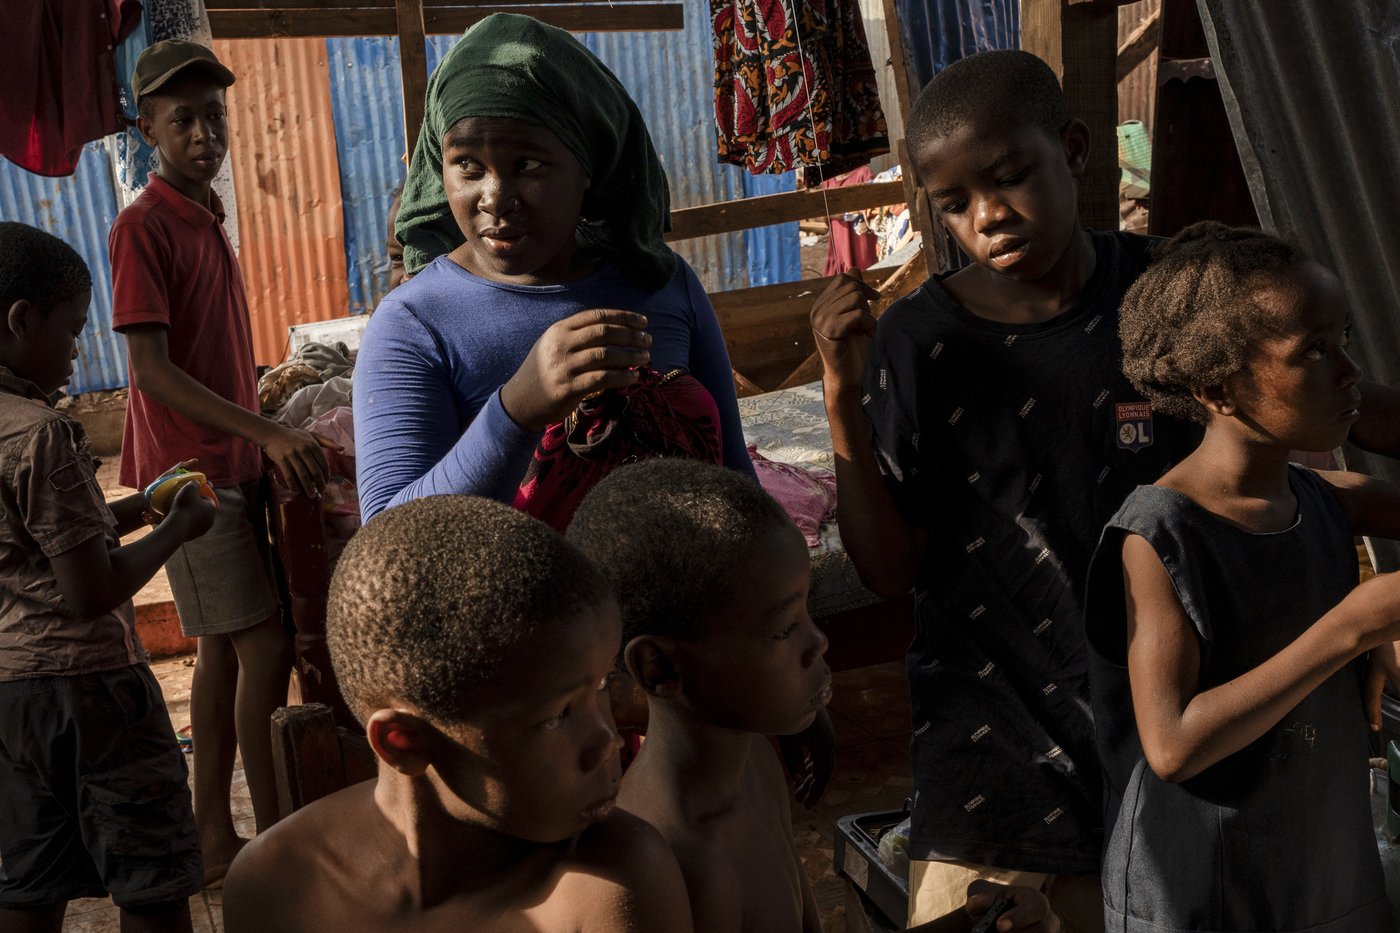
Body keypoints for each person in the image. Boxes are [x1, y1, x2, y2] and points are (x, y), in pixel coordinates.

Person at [807, 50, 1211, 930]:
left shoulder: (1162, 296)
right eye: (952, 203)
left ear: (1073, 148)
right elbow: (886, 570)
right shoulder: (923, 341)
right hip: (991, 762)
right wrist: (841, 396)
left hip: (1169, 735)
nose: (985, 217)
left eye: (1008, 178)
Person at [569, 458, 1061, 933]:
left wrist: (968, 925)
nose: (818, 641)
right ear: (660, 667)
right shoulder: (671, 870)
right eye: (784, 629)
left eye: (807, 611)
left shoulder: (754, 765)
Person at [1084, 223, 1400, 931]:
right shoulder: (1160, 533)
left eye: (1343, 337)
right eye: (1314, 351)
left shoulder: (1318, 497)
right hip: (1205, 897)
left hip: (1319, 876)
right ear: (1217, 387)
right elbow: (1171, 744)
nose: (1351, 371)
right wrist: (1355, 628)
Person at [222, 495, 695, 933]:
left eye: (600, 689)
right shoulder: (280, 886)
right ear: (403, 742)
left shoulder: (609, 884)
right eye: (558, 716)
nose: (608, 742)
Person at [354, 13, 755, 525]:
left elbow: (735, 478)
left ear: (589, 164)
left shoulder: (660, 283)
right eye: (468, 165)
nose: (495, 198)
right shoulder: (414, 324)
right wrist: (516, 410)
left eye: (528, 165)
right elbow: (388, 537)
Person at [110, 39, 337, 883]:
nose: (205, 133)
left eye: (214, 116)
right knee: (264, 644)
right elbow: (152, 371)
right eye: (184, 120)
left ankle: (216, 835)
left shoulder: (206, 217)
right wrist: (264, 429)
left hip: (227, 459)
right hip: (191, 476)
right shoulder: (143, 226)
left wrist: (265, 412)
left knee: (217, 653)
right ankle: (278, 837)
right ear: (147, 129)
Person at [0, 222, 217, 932]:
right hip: (91, 691)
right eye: (71, 330)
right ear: (20, 320)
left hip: (15, 700)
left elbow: (36, 543)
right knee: (151, 881)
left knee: (30, 883)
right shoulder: (44, 433)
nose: (77, 350)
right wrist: (177, 526)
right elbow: (88, 590)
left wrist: (140, 502)